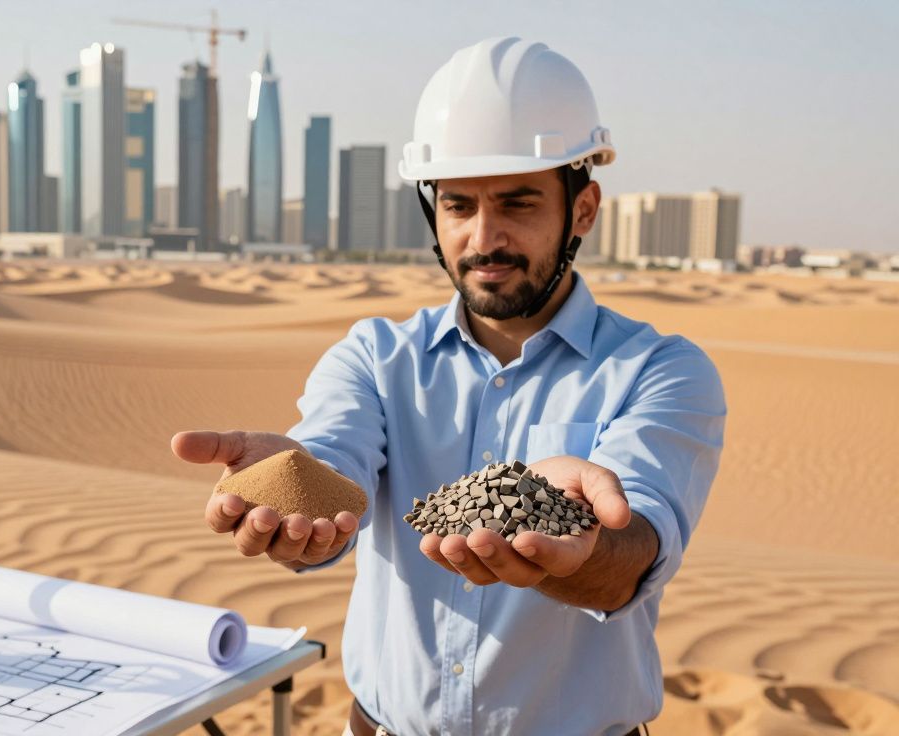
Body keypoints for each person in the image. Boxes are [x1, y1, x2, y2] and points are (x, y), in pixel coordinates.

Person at [172, 37, 725, 736]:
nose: (484, 238)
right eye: (459, 205)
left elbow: (630, 555)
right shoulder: (376, 356)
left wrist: (581, 544)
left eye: (518, 203)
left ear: (583, 209)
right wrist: (298, 493)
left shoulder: (660, 371)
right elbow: (334, 461)